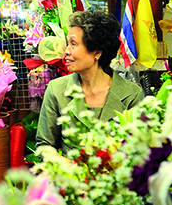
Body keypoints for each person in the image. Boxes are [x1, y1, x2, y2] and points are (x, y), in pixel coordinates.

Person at [36, 11, 143, 153]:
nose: (66, 51)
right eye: (68, 43)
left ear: (97, 52)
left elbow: (139, 148)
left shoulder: (131, 94)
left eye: (73, 44)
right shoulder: (56, 90)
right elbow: (44, 145)